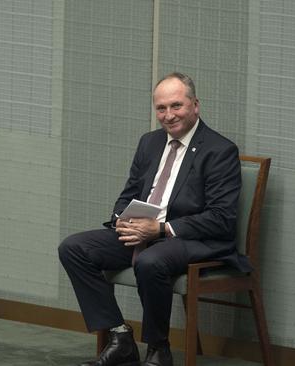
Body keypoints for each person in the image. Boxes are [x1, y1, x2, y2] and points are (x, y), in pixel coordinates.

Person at [59, 72, 248, 366]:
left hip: (192, 238)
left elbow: (221, 218)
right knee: (74, 248)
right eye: (161, 108)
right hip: (144, 231)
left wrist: (161, 229)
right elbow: (129, 193)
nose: (168, 115)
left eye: (177, 106)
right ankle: (120, 337)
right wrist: (121, 219)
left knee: (152, 260)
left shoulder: (220, 150)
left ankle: (159, 349)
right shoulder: (150, 143)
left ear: (195, 105)